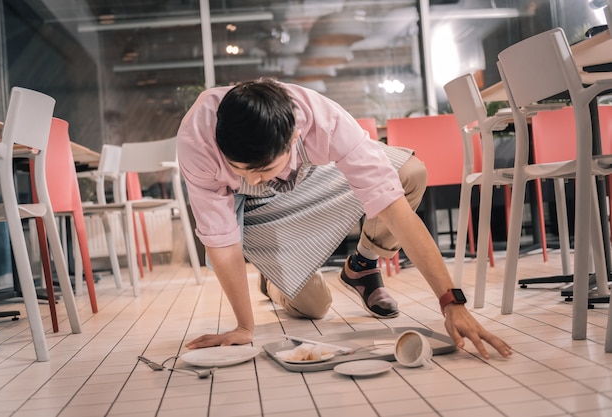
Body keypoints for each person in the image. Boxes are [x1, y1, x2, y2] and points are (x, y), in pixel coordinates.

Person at [177, 78, 512, 359]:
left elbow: (394, 209)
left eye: (262, 169)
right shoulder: (198, 142)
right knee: (314, 306)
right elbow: (221, 242)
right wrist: (244, 327)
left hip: (312, 177)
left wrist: (451, 302)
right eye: (241, 170)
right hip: (252, 211)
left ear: (293, 138)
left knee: (409, 171)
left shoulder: (325, 122)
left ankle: (362, 267)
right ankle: (273, 280)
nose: (253, 177)